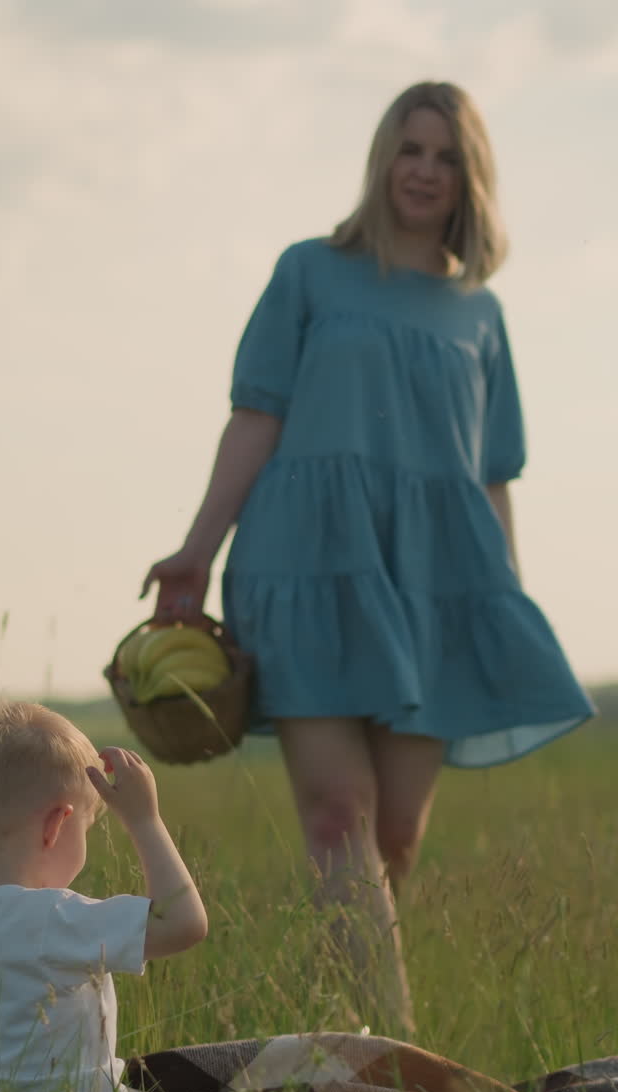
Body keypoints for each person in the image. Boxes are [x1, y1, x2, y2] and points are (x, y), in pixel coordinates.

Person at [141, 81, 594, 1034]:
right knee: (335, 817)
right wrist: (195, 550)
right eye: (409, 149)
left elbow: (491, 473)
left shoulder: (480, 313)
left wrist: (498, 599)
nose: (424, 170)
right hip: (309, 566)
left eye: (445, 156)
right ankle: (396, 1066)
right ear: (382, 160)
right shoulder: (309, 272)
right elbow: (256, 416)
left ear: (470, 177)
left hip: (436, 585)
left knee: (393, 836)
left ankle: (343, 1036)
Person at [0, 701, 257, 1092]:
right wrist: (145, 820)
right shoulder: (53, 916)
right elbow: (186, 923)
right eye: (88, 826)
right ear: (57, 825)